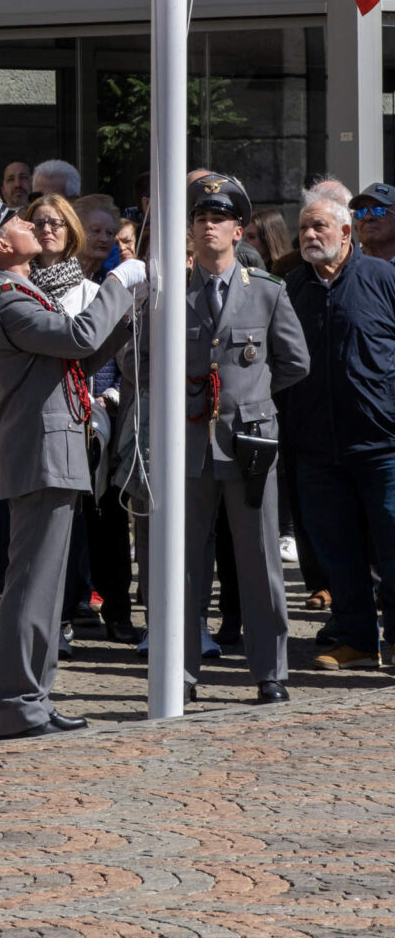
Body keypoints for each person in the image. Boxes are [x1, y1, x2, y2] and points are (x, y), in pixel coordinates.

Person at [0, 186, 143, 739]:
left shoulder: (20, 292)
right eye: (19, 223)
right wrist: (118, 282)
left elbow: (78, 357)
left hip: (54, 449)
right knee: (32, 587)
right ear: (2, 244)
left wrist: (125, 314)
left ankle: (35, 699)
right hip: (40, 452)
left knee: (46, 586)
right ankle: (20, 704)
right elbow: (79, 335)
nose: (30, 226)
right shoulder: (7, 297)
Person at [181, 173, 310, 704]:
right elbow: (138, 361)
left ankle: (270, 670)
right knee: (186, 563)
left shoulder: (267, 292)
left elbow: (295, 362)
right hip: (189, 442)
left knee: (259, 560)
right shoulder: (173, 293)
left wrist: (254, 397)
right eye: (201, 218)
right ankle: (181, 670)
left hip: (249, 441)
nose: (208, 226)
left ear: (239, 230)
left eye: (219, 218)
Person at [283, 192, 395, 670]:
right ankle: (355, 638)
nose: (309, 236)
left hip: (383, 443)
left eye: (320, 227)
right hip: (315, 448)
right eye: (303, 228)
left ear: (346, 233)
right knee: (337, 550)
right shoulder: (290, 288)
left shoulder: (382, 278)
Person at [74, 197, 121, 279]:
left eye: (109, 233)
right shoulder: (60, 274)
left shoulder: (109, 277)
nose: (104, 239)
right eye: (96, 230)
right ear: (77, 231)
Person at [348, 182, 395, 264]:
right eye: (361, 211)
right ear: (356, 228)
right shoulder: (344, 266)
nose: (367, 217)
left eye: (378, 210)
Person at [245, 207, 293, 273]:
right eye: (242, 236)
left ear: (269, 240)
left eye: (251, 237)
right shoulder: (243, 267)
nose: (243, 242)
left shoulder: (288, 272)